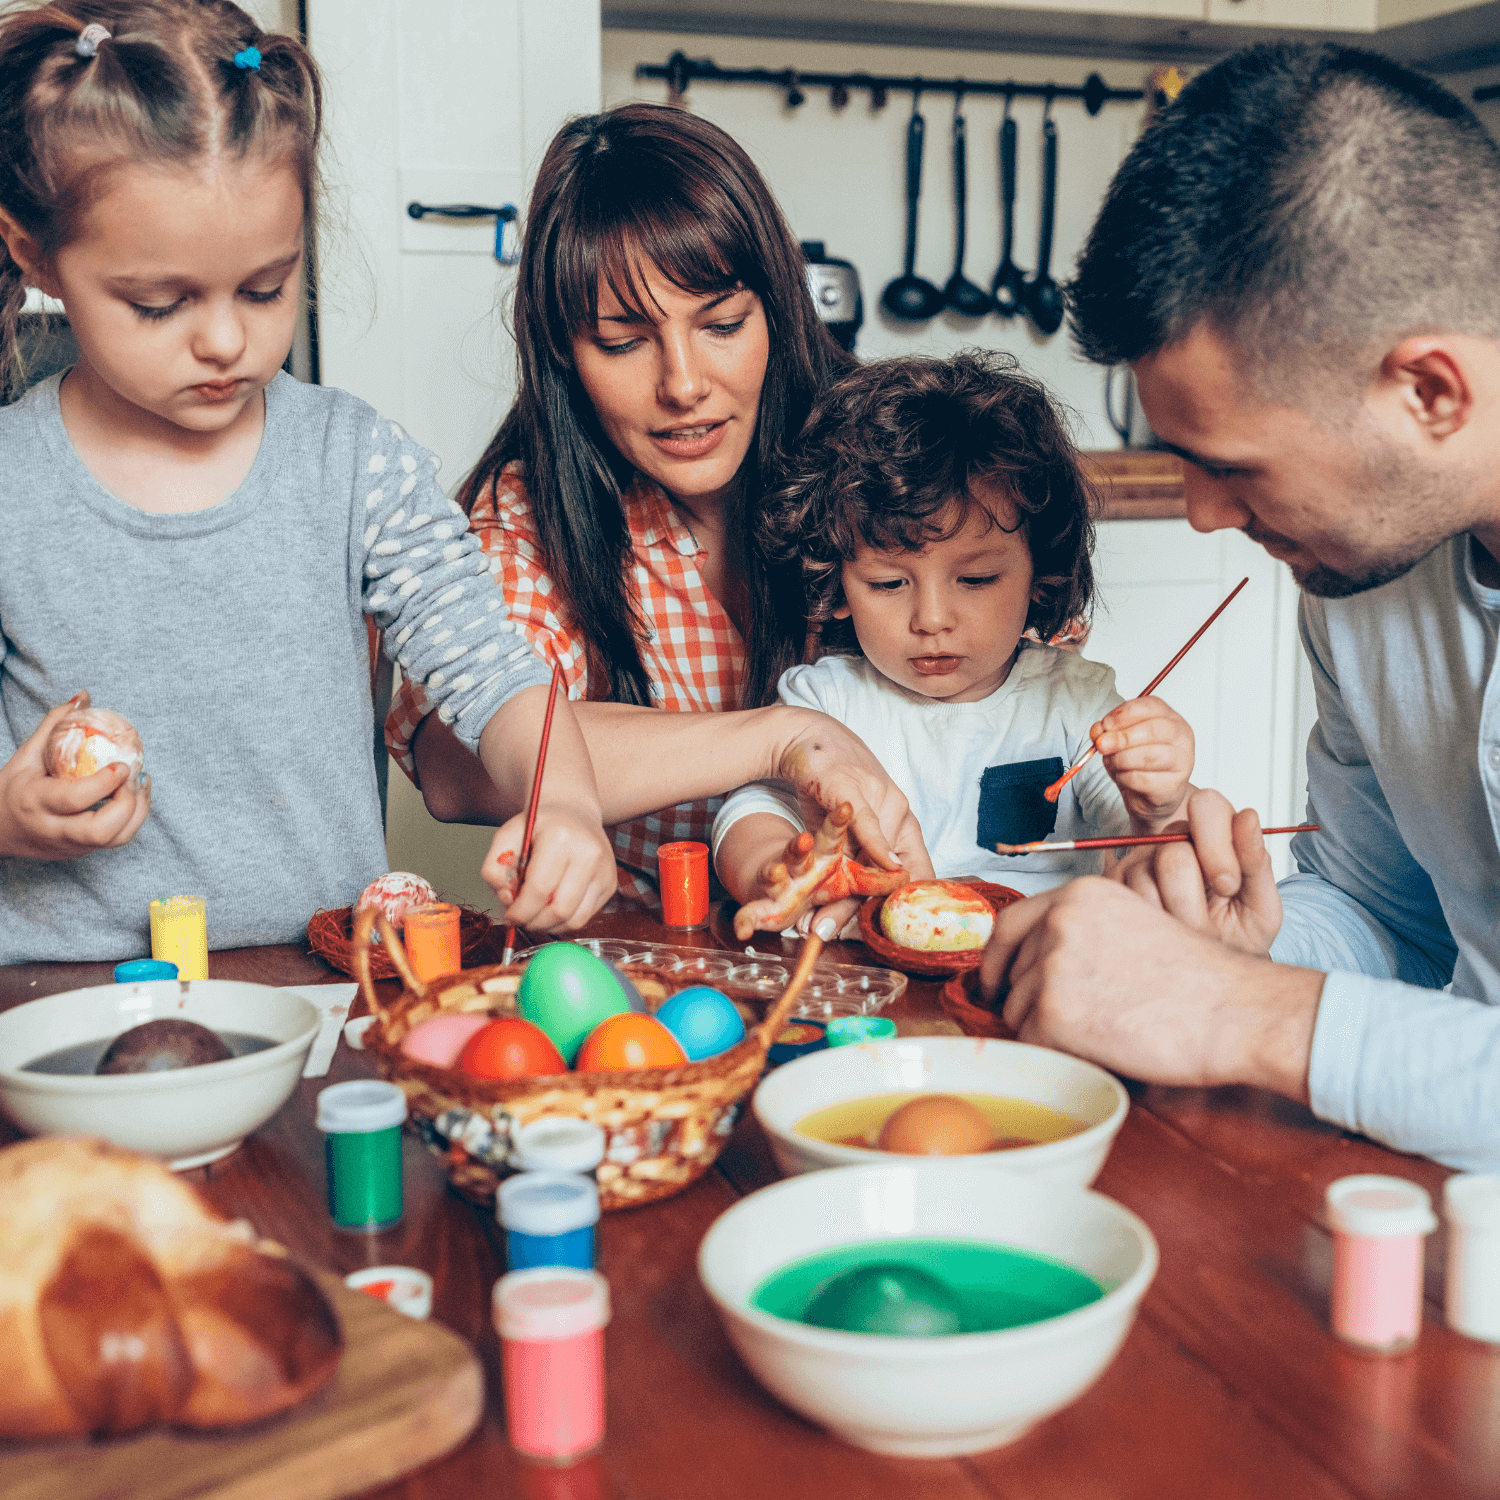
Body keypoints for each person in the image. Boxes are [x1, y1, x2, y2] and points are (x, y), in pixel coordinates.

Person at [0, 0, 615, 963]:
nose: (225, 340)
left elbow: (495, 671)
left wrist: (564, 801)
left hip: (324, 979)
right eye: (159, 304)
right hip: (63, 996)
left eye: (265, 288)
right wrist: (8, 814)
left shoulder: (353, 462)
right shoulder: (13, 486)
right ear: (33, 253)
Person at [980, 42, 1500, 1170]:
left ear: (1430, 392)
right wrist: (1230, 947)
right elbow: (1391, 920)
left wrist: (1235, 1009)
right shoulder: (1358, 568)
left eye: (1232, 465)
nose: (1206, 514)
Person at [391, 104, 932, 916]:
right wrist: (783, 738)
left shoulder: (887, 458)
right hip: (646, 957)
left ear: (779, 311)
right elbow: (455, 769)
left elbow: (1025, 671)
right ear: (563, 352)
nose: (683, 384)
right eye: (623, 342)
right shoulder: (530, 512)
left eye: (722, 324)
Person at [711, 352, 1195, 937]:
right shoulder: (823, 704)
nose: (932, 620)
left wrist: (1160, 805)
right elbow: (751, 810)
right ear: (835, 584)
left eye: (977, 579)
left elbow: (1138, 840)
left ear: (1039, 575)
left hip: (1041, 968)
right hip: (872, 971)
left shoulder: (1077, 702)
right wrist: (773, 866)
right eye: (889, 584)